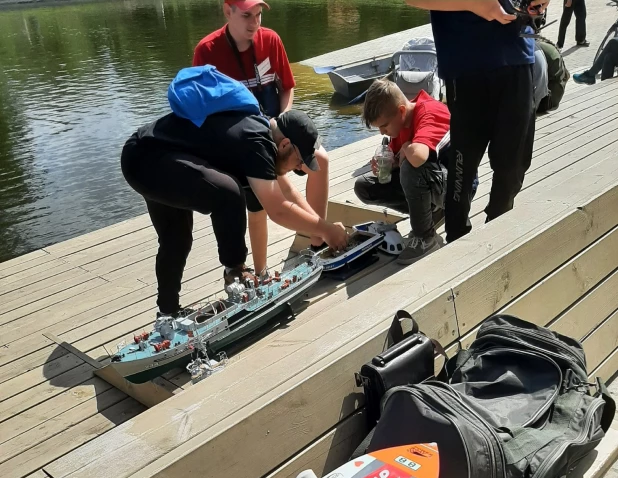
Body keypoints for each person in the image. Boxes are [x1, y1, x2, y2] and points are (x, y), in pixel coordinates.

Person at [121, 107, 347, 318]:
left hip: (143, 155)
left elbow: (287, 192)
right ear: (285, 144)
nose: (299, 168)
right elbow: (278, 210)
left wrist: (323, 230)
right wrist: (327, 230)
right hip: (148, 157)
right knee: (228, 193)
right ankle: (235, 272)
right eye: (299, 161)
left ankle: (168, 314)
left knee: (176, 237)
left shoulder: (263, 133)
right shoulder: (258, 144)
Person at [193, 0, 330, 277]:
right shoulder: (207, 51)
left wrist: (283, 125)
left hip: (277, 131)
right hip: (243, 143)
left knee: (321, 159)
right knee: (258, 207)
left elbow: (287, 87)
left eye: (258, 15)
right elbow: (200, 112)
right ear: (227, 11)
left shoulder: (271, 40)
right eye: (246, 16)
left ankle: (319, 243)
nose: (255, 24)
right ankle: (260, 272)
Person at [404, 0, 549, 244]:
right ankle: (456, 240)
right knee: (463, 165)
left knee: (513, 166)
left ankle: (496, 237)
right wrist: (476, 4)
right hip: (466, 64)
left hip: (518, 57)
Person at [354, 80, 450, 264]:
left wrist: (405, 147)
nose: (383, 132)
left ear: (401, 111)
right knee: (364, 186)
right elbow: (401, 158)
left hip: (456, 189)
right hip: (432, 183)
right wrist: (388, 163)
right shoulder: (399, 126)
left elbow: (417, 157)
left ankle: (425, 237)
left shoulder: (429, 111)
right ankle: (432, 214)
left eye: (384, 126)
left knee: (411, 167)